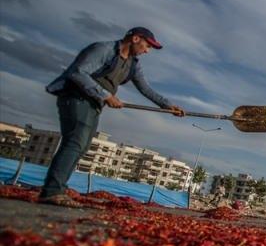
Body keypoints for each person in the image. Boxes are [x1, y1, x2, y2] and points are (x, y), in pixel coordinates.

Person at [39, 27, 184, 206]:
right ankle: (52, 191)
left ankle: (56, 189)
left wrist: (168, 106)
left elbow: (145, 88)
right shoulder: (103, 49)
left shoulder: (133, 64)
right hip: (75, 97)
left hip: (94, 105)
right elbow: (78, 72)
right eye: (147, 46)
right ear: (136, 39)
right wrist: (106, 95)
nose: (147, 51)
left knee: (81, 146)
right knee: (75, 142)